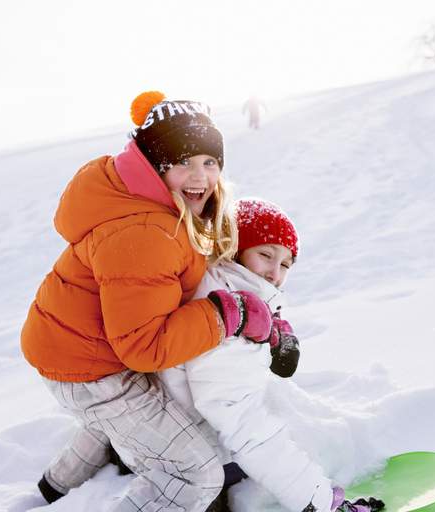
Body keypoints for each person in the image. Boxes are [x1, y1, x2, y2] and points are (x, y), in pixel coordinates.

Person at [36, 197, 385, 512]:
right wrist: (320, 502)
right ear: (234, 248)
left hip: (145, 418)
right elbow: (246, 428)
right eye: (265, 255)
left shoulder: (204, 281)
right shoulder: (235, 323)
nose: (275, 274)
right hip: (182, 451)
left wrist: (276, 329)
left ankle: (56, 484)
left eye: (286, 264)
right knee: (212, 486)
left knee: (116, 416)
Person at [21, 91, 279, 512]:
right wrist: (228, 313)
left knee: (126, 416)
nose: (200, 177)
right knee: (198, 470)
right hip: (91, 370)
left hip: (77, 348)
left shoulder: (148, 202)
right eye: (183, 162)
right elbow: (144, 347)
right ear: (153, 166)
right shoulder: (146, 233)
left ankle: (56, 486)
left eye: (209, 162)